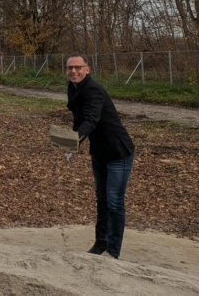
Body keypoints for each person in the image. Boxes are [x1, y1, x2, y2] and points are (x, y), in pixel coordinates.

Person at [66, 54, 134, 259]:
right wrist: (70, 141)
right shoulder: (73, 88)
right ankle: (100, 244)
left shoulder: (93, 90)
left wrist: (75, 139)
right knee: (102, 199)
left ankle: (113, 252)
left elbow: (92, 119)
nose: (74, 71)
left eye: (78, 67)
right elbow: (79, 120)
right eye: (70, 68)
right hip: (99, 153)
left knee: (114, 202)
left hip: (117, 152)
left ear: (87, 70)